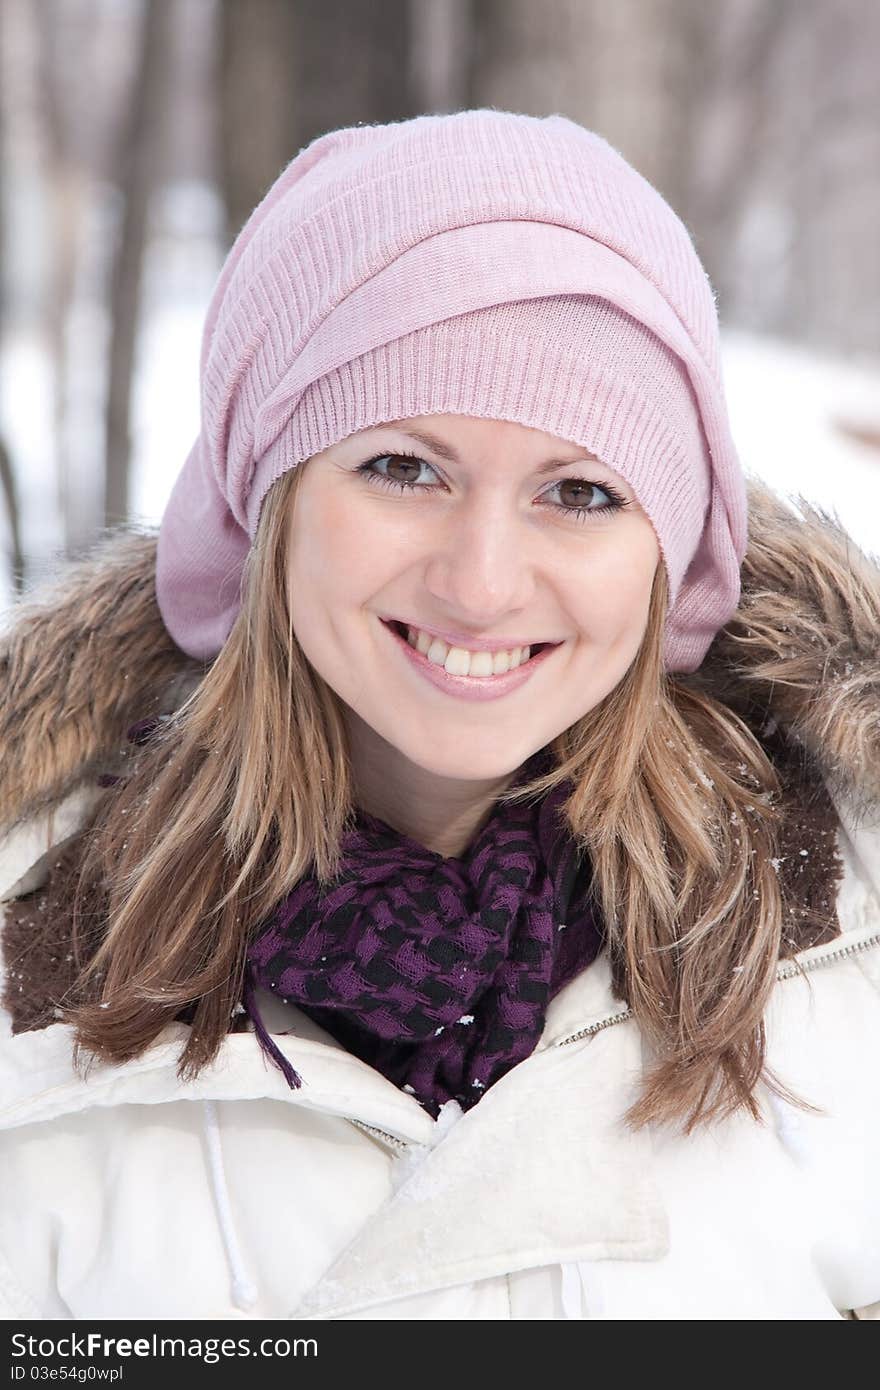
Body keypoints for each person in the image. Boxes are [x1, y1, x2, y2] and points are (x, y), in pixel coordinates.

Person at [1, 108, 878, 1322]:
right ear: (267, 505)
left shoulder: (849, 944)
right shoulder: (27, 959)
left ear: (667, 557)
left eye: (579, 491)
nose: (480, 582)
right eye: (403, 468)